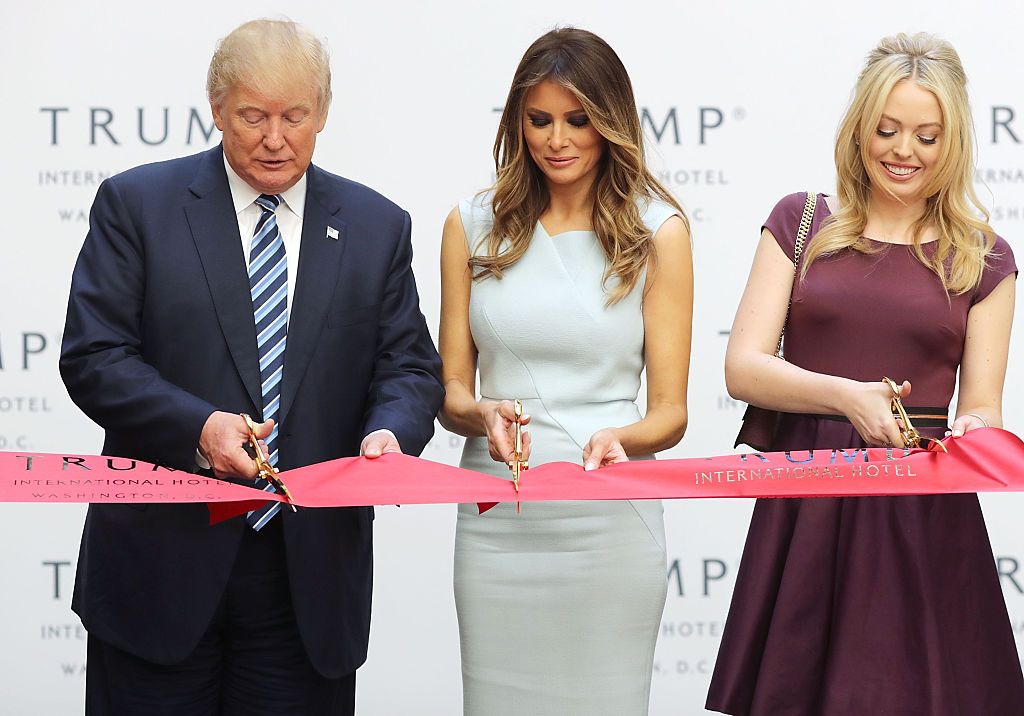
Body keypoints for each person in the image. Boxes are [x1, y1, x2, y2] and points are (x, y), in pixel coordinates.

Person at [59, 18, 443, 715]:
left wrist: (388, 435)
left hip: (308, 583)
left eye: (295, 116)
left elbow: (409, 367)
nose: (275, 137)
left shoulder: (375, 225)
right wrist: (199, 427)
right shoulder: (138, 205)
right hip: (161, 572)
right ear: (216, 107)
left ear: (322, 112)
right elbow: (94, 356)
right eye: (253, 116)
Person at [706, 32, 1024, 715]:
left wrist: (975, 431)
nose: (902, 151)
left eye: (926, 136)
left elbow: (985, 409)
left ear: (953, 144)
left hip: (922, 516)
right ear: (860, 129)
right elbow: (743, 367)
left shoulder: (986, 259)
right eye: (887, 129)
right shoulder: (800, 222)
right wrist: (846, 398)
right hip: (807, 505)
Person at [438, 27, 693, 715]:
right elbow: (453, 391)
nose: (558, 138)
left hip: (607, 517)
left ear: (611, 120)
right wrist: (480, 412)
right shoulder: (472, 224)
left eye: (578, 120)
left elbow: (671, 413)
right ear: (516, 122)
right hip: (498, 514)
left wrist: (627, 439)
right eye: (540, 120)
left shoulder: (657, 230)